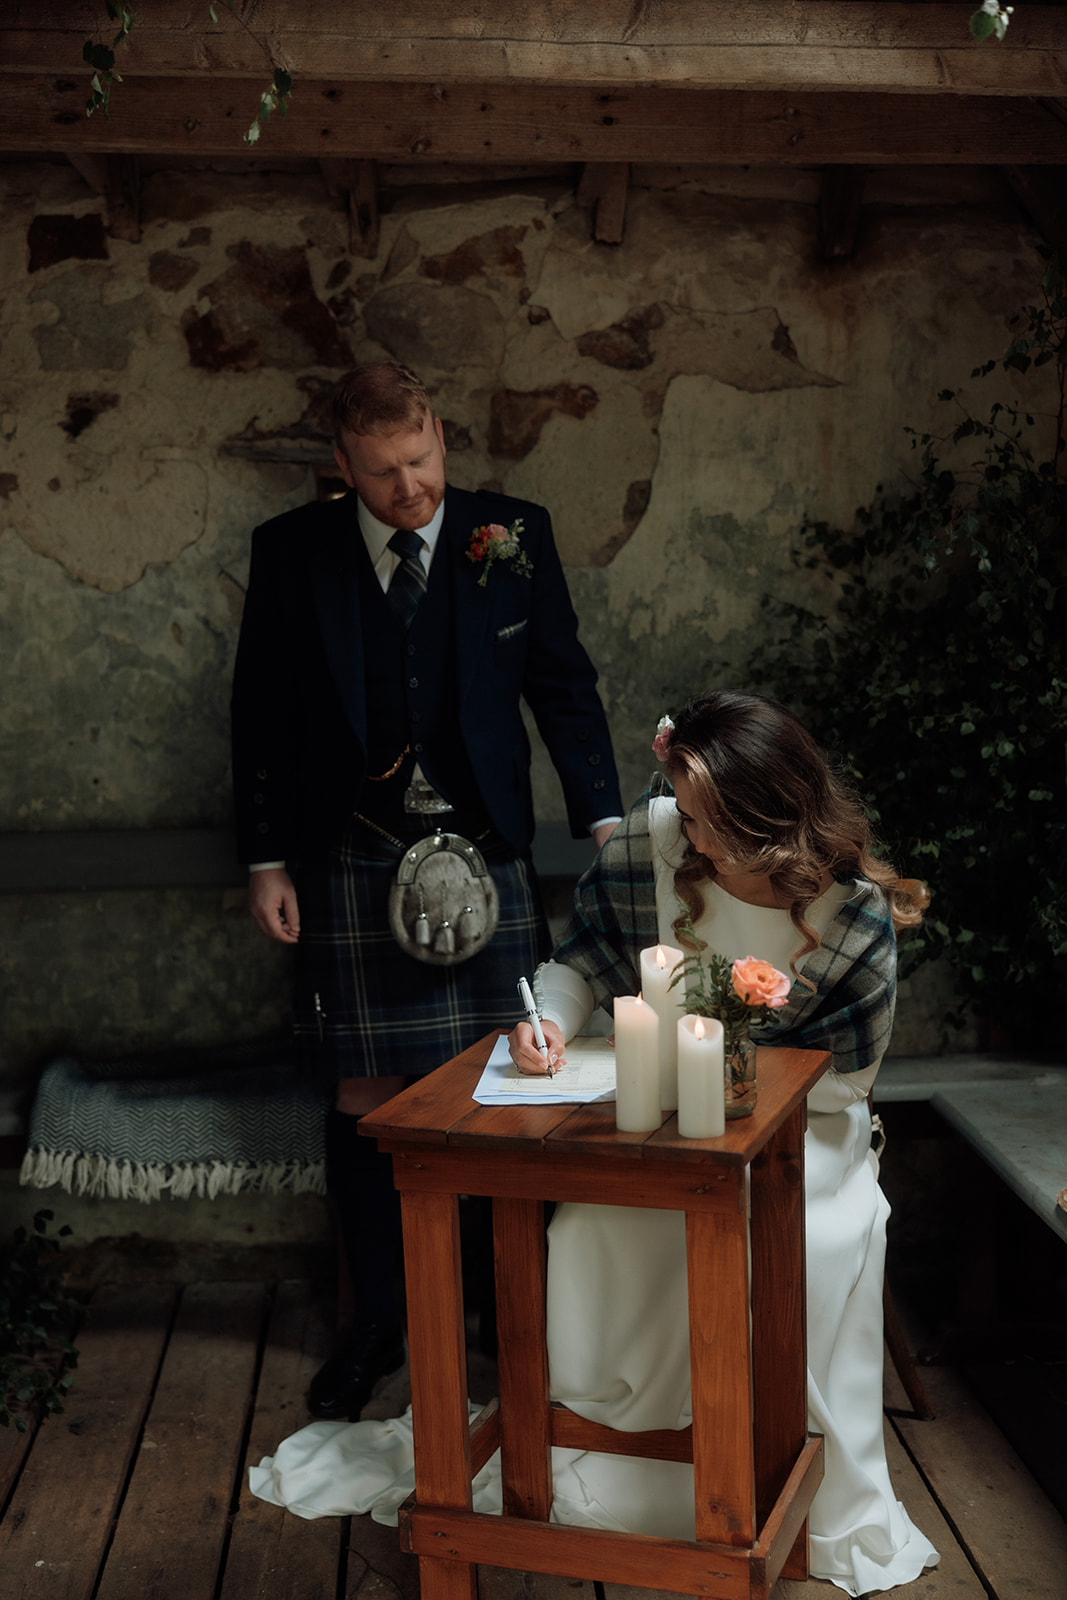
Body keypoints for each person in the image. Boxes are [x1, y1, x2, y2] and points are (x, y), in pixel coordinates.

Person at [230, 360, 621, 1423]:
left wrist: (604, 823)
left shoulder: (511, 534)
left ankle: (506, 1312)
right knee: (361, 1099)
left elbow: (562, 686)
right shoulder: (291, 553)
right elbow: (259, 713)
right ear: (341, 466)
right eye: (384, 472)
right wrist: (265, 858)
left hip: (483, 841)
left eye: (421, 460)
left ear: (438, 435)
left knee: (510, 1077)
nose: (411, 487)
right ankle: (378, 1323)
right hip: (348, 853)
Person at [507, 689, 940, 1596]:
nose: (687, 837)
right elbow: (585, 955)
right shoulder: (651, 837)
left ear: (769, 820)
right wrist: (546, 1020)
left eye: (709, 822)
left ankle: (767, 1473)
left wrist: (728, 1086)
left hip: (807, 1137)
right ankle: (622, 1464)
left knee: (794, 1246)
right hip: (661, 1126)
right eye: (686, 813)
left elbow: (845, 1086)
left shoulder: (851, 917)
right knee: (590, 1222)